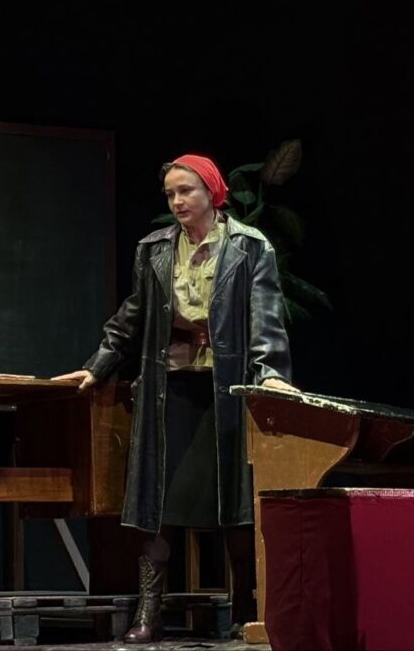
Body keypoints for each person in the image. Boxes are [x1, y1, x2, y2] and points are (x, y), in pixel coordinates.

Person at [53, 153, 298, 642]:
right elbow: (132, 316)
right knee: (157, 503)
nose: (178, 201)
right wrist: (98, 365)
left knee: (235, 503)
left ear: (212, 192)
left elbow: (266, 319)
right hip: (169, 388)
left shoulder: (249, 247)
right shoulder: (155, 249)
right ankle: (149, 611)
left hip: (226, 388)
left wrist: (269, 374)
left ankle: (244, 606)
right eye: (170, 193)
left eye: (186, 190)